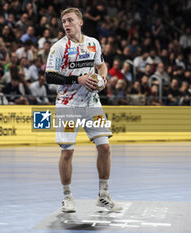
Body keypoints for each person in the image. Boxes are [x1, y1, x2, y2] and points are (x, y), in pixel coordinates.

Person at [45, 7, 122, 213]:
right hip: (68, 105)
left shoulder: (93, 43)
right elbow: (49, 76)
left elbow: (101, 65)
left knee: (105, 147)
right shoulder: (58, 47)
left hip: (92, 103)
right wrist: (77, 79)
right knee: (67, 151)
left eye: (70, 20)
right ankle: (67, 197)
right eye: (63, 22)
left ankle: (104, 195)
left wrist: (103, 79)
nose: (66, 24)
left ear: (80, 22)